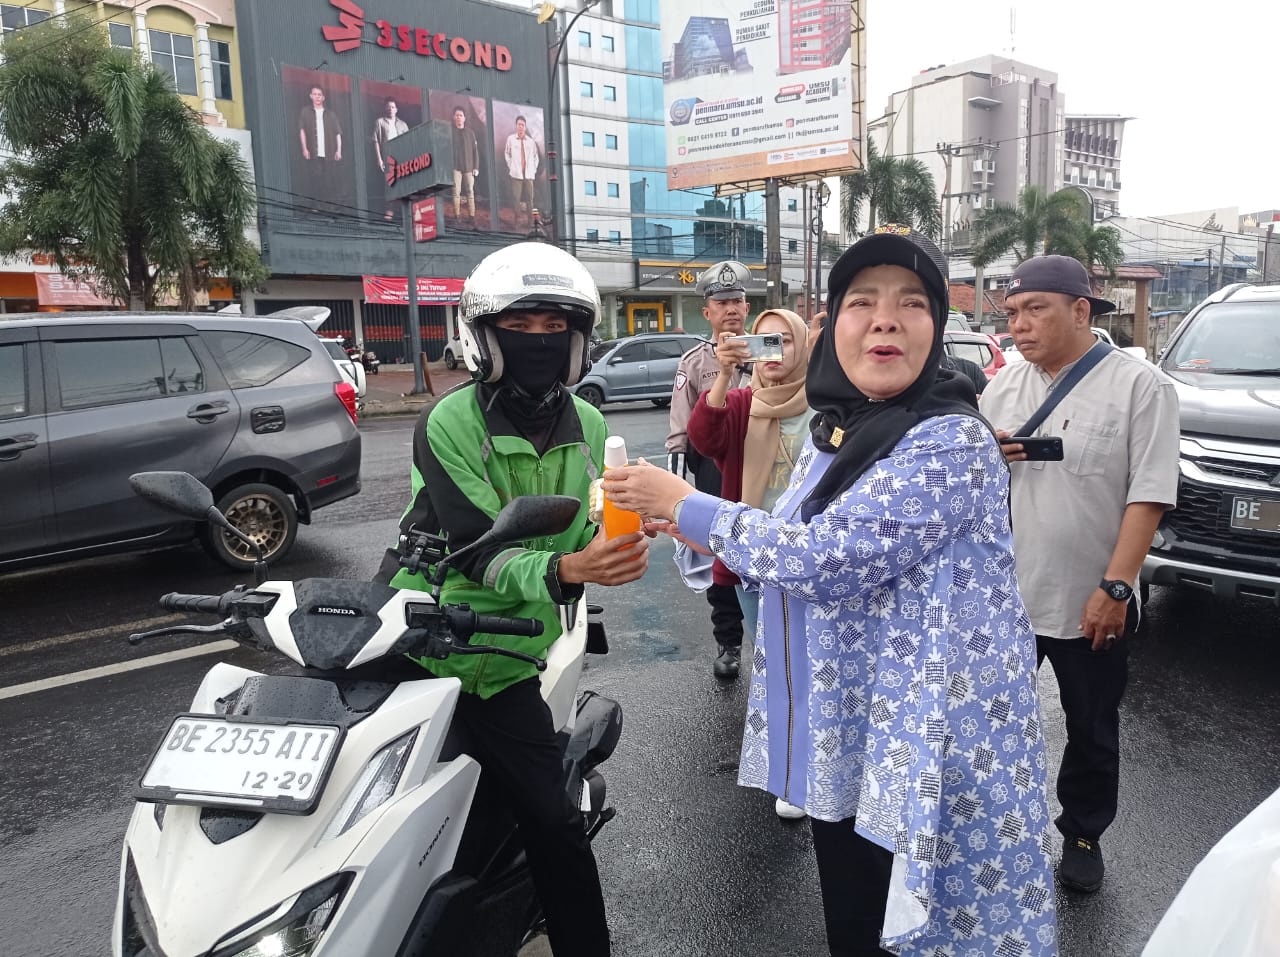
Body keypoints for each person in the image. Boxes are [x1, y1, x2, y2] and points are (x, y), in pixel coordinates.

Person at [605, 225, 1059, 956]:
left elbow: (825, 558)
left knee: (924, 930)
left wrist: (687, 502)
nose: (885, 319)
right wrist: (688, 525)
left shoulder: (950, 439)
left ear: (936, 328)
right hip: (857, 730)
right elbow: (791, 538)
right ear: (835, 326)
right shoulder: (838, 432)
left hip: (927, 740)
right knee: (854, 918)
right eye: (862, 302)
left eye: (912, 302)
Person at [376, 243, 648, 956]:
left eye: (555, 327)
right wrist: (568, 569)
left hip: (500, 658)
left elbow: (583, 525)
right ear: (485, 339)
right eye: (520, 326)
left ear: (577, 342)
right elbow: (475, 547)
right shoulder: (448, 422)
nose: (539, 341)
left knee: (553, 822)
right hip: (422, 633)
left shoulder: (589, 426)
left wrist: (624, 535)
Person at [980, 254, 1179, 895]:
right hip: (1005, 598)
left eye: (1035, 309)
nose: (1019, 324)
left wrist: (1115, 589)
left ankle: (1083, 834)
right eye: (1012, 312)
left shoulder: (1141, 387)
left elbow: (1148, 496)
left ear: (1080, 310)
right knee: (991, 722)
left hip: (1090, 599)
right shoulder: (1001, 388)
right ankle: (992, 828)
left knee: (1091, 726)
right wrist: (990, 458)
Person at [686, 306, 812, 820]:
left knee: (813, 664)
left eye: (785, 340)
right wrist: (724, 374)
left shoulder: (827, 405)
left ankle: (819, 758)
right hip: (755, 560)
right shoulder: (741, 403)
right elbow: (704, 438)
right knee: (775, 666)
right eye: (763, 342)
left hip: (813, 558)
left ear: (803, 346)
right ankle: (790, 771)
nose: (774, 352)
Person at [665, 260, 752, 679]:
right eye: (721, 302)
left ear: (747, 307)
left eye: (737, 301)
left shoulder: (769, 352)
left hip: (761, 466)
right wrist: (674, 493)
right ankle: (728, 643)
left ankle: (775, 643)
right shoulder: (695, 362)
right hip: (714, 472)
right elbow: (680, 430)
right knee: (721, 552)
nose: (730, 308)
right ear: (708, 311)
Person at [297, 84, 343, 206]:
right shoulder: (305, 112)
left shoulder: (330, 114)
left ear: (323, 97)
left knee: (330, 181)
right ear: (310, 96)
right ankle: (316, 206)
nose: (317, 97)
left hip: (329, 154)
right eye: (315, 94)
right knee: (315, 181)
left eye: (319, 94)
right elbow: (302, 130)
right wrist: (304, 148)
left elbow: (338, 133)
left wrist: (338, 150)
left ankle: (332, 206)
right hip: (314, 154)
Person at [372, 96, 409, 220]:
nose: (390, 109)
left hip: (402, 157)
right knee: (390, 183)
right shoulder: (380, 122)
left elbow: (408, 141)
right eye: (388, 107)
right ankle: (389, 210)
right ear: (385, 108)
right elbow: (376, 141)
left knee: (402, 183)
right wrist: (379, 158)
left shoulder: (403, 124)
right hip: (388, 156)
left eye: (393, 107)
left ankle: (404, 210)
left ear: (396, 109)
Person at [503, 115, 540, 228]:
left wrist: (533, 169)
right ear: (516, 126)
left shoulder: (531, 142)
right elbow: (507, 153)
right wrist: (511, 166)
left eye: (522, 125)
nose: (520, 127)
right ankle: (518, 219)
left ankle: (530, 221)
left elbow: (536, 157)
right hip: (516, 174)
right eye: (519, 124)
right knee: (516, 198)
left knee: (530, 198)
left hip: (529, 174)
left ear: (525, 127)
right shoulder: (511, 139)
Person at [450, 104, 480, 224]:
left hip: (469, 167)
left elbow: (475, 151)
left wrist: (476, 167)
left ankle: (472, 217)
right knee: (456, 192)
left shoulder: (470, 133)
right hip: (455, 167)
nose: (459, 117)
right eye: (457, 115)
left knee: (470, 192)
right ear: (454, 117)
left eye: (461, 115)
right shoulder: (450, 132)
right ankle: (457, 216)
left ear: (464, 118)